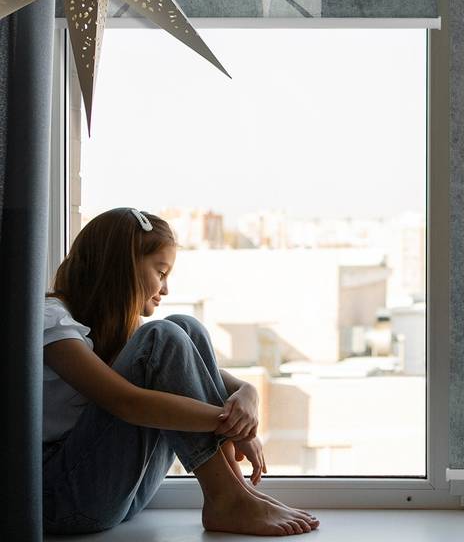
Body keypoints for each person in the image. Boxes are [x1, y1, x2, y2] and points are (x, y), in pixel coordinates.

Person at [42, 207, 320, 536]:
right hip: (62, 498)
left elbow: (201, 376)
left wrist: (248, 393)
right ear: (122, 267)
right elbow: (126, 403)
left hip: (115, 494)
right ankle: (228, 499)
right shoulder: (52, 320)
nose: (165, 289)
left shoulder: (114, 330)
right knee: (162, 336)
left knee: (185, 327)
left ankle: (235, 490)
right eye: (161, 273)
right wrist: (233, 427)